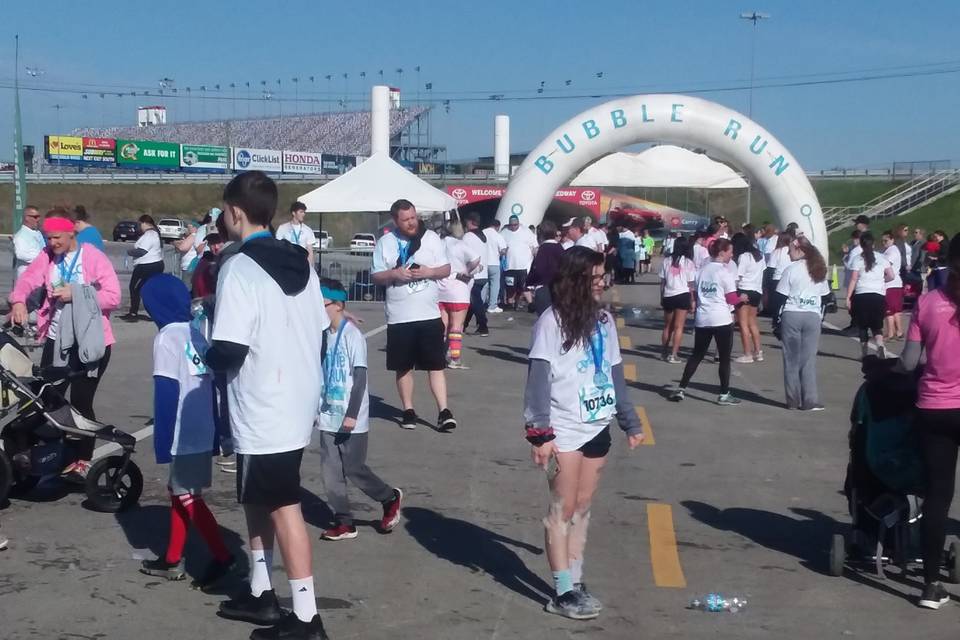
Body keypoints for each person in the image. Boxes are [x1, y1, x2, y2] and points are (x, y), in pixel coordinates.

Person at [208, 171, 330, 639]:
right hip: (295, 397)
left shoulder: (238, 267)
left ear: (236, 212)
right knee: (258, 496)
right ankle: (262, 591)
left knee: (283, 504)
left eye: (223, 210)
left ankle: (306, 617)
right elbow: (319, 329)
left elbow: (230, 349)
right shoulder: (302, 262)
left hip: (263, 403)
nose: (221, 217)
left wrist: (202, 344)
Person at [524, 246, 644, 620]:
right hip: (562, 430)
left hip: (597, 425)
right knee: (561, 508)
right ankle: (561, 591)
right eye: (595, 278)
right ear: (576, 280)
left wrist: (630, 421)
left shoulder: (604, 321)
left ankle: (575, 579)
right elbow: (538, 381)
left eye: (602, 277)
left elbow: (614, 373)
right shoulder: (550, 322)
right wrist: (539, 434)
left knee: (583, 507)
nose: (602, 283)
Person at [138, 275, 235, 588]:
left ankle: (223, 557)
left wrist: (163, 441)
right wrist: (221, 430)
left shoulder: (166, 337)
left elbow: (166, 391)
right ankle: (171, 558)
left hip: (182, 430)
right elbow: (215, 383)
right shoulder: (195, 333)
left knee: (187, 495)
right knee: (179, 491)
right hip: (203, 426)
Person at [9, 209, 120, 481]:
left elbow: (113, 296)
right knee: (45, 398)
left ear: (71, 232)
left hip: (91, 341)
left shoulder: (92, 257)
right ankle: (45, 453)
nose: (52, 243)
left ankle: (83, 458)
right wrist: (19, 300)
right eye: (48, 237)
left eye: (57, 237)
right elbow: (27, 281)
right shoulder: (47, 257)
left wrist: (79, 293)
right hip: (56, 339)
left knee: (81, 403)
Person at [896, 233, 960, 610]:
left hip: (935, 407)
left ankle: (931, 584)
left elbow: (908, 363)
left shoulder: (928, 303)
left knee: (937, 497)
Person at [316, 278, 403, 541]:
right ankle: (344, 521)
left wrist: (352, 414)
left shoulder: (352, 336)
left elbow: (360, 378)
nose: (317, 311)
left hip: (351, 415)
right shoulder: (321, 335)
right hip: (327, 413)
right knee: (330, 472)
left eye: (322, 305)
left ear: (338, 305)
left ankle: (389, 497)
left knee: (353, 468)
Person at [371, 199, 457, 432]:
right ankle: (408, 410)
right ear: (396, 221)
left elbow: (446, 268)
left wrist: (430, 272)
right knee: (404, 366)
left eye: (413, 217)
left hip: (428, 314)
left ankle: (444, 411)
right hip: (400, 316)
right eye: (406, 219)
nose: (411, 223)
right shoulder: (385, 243)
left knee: (435, 365)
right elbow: (376, 275)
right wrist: (394, 273)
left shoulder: (431, 238)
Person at [669, 238, 745, 405]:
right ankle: (724, 394)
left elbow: (695, 294)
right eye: (730, 251)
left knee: (697, 354)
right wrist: (742, 298)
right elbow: (732, 299)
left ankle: (681, 388)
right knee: (724, 358)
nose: (732, 255)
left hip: (703, 318)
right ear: (722, 252)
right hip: (721, 319)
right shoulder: (725, 272)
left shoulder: (701, 271)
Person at [776, 237, 830, 411]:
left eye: (790, 249)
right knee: (808, 359)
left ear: (800, 250)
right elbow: (825, 297)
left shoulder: (791, 269)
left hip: (792, 314)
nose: (788, 252)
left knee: (790, 359)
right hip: (812, 316)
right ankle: (809, 400)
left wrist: (775, 321)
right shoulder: (820, 270)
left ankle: (792, 400)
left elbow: (780, 298)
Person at [846, 232, 895, 359]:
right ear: (873, 244)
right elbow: (891, 275)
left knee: (863, 326)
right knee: (877, 325)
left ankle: (864, 353)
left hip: (862, 295)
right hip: (878, 295)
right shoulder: (882, 258)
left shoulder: (858, 259)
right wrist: (882, 280)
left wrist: (848, 297)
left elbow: (853, 279)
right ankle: (880, 344)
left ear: (861, 245)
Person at [438, 222, 481, 368]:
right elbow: (476, 259)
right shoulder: (459, 245)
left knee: (443, 325)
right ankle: (455, 358)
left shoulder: (439, 244)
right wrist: (467, 271)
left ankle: (438, 355)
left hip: (440, 287)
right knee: (457, 326)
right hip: (458, 287)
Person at [659, 236, 695, 364]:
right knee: (679, 327)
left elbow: (662, 282)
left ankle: (664, 351)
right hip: (683, 295)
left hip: (668, 294)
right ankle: (674, 354)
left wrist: (661, 297)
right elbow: (691, 285)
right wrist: (692, 300)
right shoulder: (688, 263)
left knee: (667, 326)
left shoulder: (667, 260)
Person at [121, 215, 164, 322]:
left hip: (147, 265)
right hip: (152, 264)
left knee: (135, 288)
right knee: (145, 289)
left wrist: (129, 252)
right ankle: (142, 311)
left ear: (145, 223)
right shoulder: (152, 234)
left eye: (140, 224)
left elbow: (142, 251)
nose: (139, 227)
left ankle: (134, 312)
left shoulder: (150, 235)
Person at [732, 233, 765, 363]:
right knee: (752, 322)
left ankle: (747, 353)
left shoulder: (743, 257)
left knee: (743, 323)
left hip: (744, 289)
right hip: (757, 290)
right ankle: (758, 351)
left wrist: (733, 291)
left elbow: (738, 276)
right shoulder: (760, 256)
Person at [501, 214, 538, 311]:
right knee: (510, 287)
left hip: (523, 266)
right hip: (509, 266)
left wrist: (536, 256)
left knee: (524, 286)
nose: (513, 227)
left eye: (515, 225)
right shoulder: (504, 233)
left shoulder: (526, 231)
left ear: (519, 223)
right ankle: (510, 303)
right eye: (511, 225)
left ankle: (530, 304)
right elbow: (500, 248)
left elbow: (534, 246)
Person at [527, 220, 564, 315]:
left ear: (540, 234)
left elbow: (539, 269)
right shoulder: (560, 248)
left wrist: (529, 282)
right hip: (560, 288)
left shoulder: (543, 249)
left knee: (544, 320)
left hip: (544, 288)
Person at [461, 213, 490, 337]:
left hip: (474, 273)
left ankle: (483, 326)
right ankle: (464, 324)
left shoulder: (467, 237)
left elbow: (462, 253)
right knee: (473, 301)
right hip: (483, 273)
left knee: (475, 301)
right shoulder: (483, 236)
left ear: (470, 222)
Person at [768, 231, 796, 329]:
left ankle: (777, 322)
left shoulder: (777, 252)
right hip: (791, 279)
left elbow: (771, 268)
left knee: (777, 304)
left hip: (778, 279)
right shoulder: (794, 251)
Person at [881, 230, 905, 341]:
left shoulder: (892, 251)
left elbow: (886, 265)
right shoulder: (889, 250)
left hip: (890, 283)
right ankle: (898, 332)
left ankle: (891, 333)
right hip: (894, 283)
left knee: (889, 310)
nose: (883, 243)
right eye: (882, 241)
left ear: (892, 239)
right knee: (895, 310)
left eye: (885, 240)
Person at [276, 201, 316, 265]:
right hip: (287, 263)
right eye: (301, 212)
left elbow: (310, 251)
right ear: (294, 213)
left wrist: (310, 268)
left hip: (302, 263)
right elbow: (278, 247)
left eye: (304, 212)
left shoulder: (308, 230)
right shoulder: (282, 228)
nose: (303, 214)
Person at [12, 205, 45, 281]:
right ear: (27, 218)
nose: (38, 219)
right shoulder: (21, 236)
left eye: (39, 216)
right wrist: (42, 258)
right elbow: (20, 254)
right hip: (27, 278)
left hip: (39, 276)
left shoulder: (37, 232)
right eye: (35, 217)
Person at [483, 219, 507, 313]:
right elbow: (503, 250)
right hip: (494, 263)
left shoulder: (482, 233)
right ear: (498, 226)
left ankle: (481, 303)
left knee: (484, 284)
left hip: (483, 263)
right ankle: (492, 306)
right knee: (494, 285)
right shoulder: (498, 236)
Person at [191, 232, 225, 299]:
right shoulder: (203, 261)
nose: (216, 247)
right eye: (212, 243)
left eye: (219, 242)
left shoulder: (229, 261)